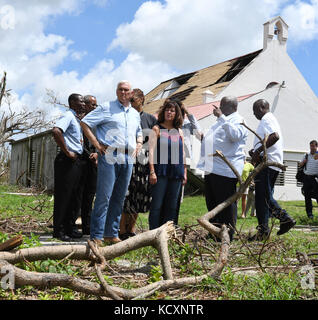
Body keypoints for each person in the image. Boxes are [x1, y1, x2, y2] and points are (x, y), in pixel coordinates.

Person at [80, 81, 143, 246]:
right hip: (109, 156)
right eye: (120, 89)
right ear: (116, 91)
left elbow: (139, 131)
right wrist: (96, 143)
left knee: (119, 198)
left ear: (131, 93)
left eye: (126, 90)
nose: (123, 92)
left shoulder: (135, 113)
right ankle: (96, 235)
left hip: (128, 158)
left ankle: (111, 233)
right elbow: (85, 123)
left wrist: (138, 143)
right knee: (104, 196)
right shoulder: (106, 107)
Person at [197, 96, 248, 242]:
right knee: (212, 203)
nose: (218, 109)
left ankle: (228, 234)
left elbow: (234, 136)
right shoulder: (222, 121)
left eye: (221, 106)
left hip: (225, 170)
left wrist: (221, 118)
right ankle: (215, 232)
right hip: (212, 168)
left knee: (225, 204)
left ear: (229, 106)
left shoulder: (239, 120)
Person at [249, 99, 296, 240]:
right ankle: (263, 232)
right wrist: (256, 151)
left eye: (255, 110)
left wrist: (257, 153)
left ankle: (285, 218)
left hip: (268, 164)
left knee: (264, 197)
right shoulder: (268, 119)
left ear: (263, 107)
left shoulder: (267, 119)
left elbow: (274, 136)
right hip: (268, 162)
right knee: (261, 199)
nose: (254, 113)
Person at [119, 89, 157, 240]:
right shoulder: (126, 116)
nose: (130, 104)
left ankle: (131, 229)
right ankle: (122, 229)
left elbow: (154, 141)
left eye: (132, 100)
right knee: (125, 195)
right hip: (127, 158)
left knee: (139, 195)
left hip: (143, 161)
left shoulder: (149, 119)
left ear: (141, 99)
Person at [148, 99, 187, 230]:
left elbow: (183, 153)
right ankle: (153, 233)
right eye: (167, 110)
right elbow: (151, 151)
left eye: (172, 110)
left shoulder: (179, 131)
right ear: (163, 112)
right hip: (160, 171)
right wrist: (152, 171)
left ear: (177, 114)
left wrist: (185, 172)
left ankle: (168, 233)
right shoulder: (157, 128)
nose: (169, 112)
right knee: (157, 205)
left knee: (172, 205)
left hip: (176, 172)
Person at [52, 93, 86, 241]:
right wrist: (67, 151)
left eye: (84, 102)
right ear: (72, 102)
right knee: (63, 196)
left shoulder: (77, 119)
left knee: (74, 197)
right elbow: (56, 131)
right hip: (66, 161)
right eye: (81, 101)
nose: (83, 104)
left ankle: (69, 228)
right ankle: (58, 231)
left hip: (76, 161)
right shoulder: (68, 116)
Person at [171, 98, 202, 225]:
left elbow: (199, 133)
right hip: (169, 160)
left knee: (179, 196)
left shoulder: (187, 124)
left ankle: (174, 222)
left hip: (183, 161)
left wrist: (188, 113)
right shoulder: (169, 124)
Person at [73, 95, 98, 235]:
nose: (94, 107)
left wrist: (97, 155)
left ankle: (87, 226)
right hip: (81, 162)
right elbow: (78, 142)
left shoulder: (98, 121)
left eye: (96, 105)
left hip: (94, 164)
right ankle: (74, 225)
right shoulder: (79, 121)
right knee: (78, 195)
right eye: (92, 105)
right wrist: (90, 155)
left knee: (89, 195)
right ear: (86, 105)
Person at [299, 140, 318, 219]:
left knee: (317, 196)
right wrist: (303, 162)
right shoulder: (306, 155)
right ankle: (309, 214)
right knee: (307, 196)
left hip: (315, 178)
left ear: (316, 146)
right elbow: (300, 165)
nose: (312, 148)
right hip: (307, 178)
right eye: (311, 146)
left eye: (313, 146)